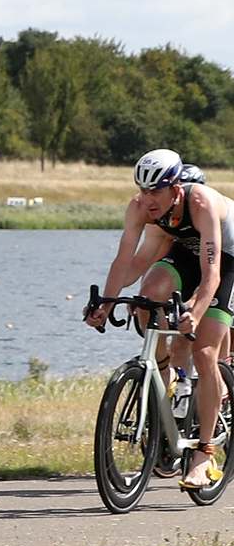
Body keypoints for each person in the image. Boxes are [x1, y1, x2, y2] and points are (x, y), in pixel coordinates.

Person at [87, 147, 230, 491]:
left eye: (156, 191)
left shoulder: (201, 204)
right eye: (142, 190)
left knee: (205, 352)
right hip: (186, 252)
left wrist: (194, 314)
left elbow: (211, 274)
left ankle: (204, 454)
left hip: (227, 260)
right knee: (149, 291)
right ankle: (159, 370)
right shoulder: (140, 208)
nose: (148, 199)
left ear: (175, 188)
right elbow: (126, 261)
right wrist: (104, 303)